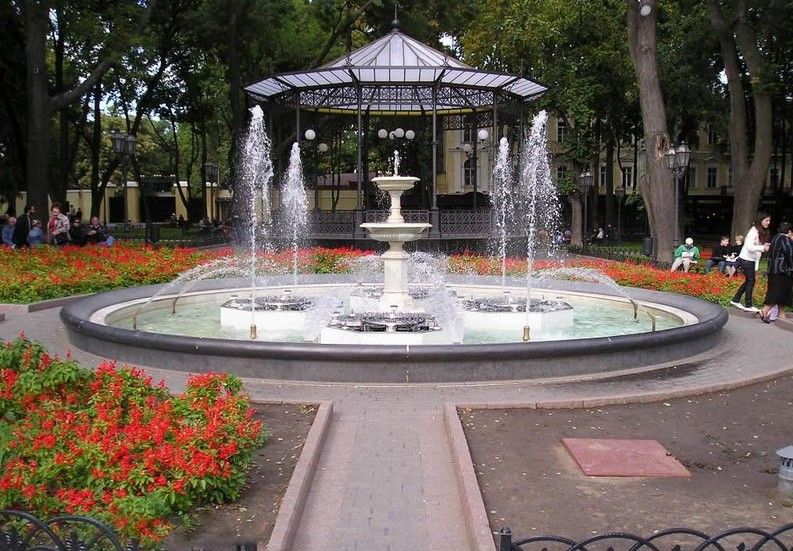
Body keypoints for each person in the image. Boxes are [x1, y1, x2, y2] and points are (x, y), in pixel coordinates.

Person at [730, 212, 771, 312]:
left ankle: (735, 300)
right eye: (766, 220)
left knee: (749, 281)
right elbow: (749, 247)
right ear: (760, 220)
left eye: (769, 221)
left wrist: (765, 245)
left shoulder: (760, 231)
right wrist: (763, 248)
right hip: (746, 259)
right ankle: (748, 305)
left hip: (750, 260)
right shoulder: (753, 231)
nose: (768, 223)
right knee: (751, 281)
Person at [759, 222, 793, 323]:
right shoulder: (785, 239)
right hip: (783, 271)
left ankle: (781, 314)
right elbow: (790, 254)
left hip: (773, 270)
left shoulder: (775, 238)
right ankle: (764, 311)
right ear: (790, 231)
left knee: (779, 292)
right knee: (779, 292)